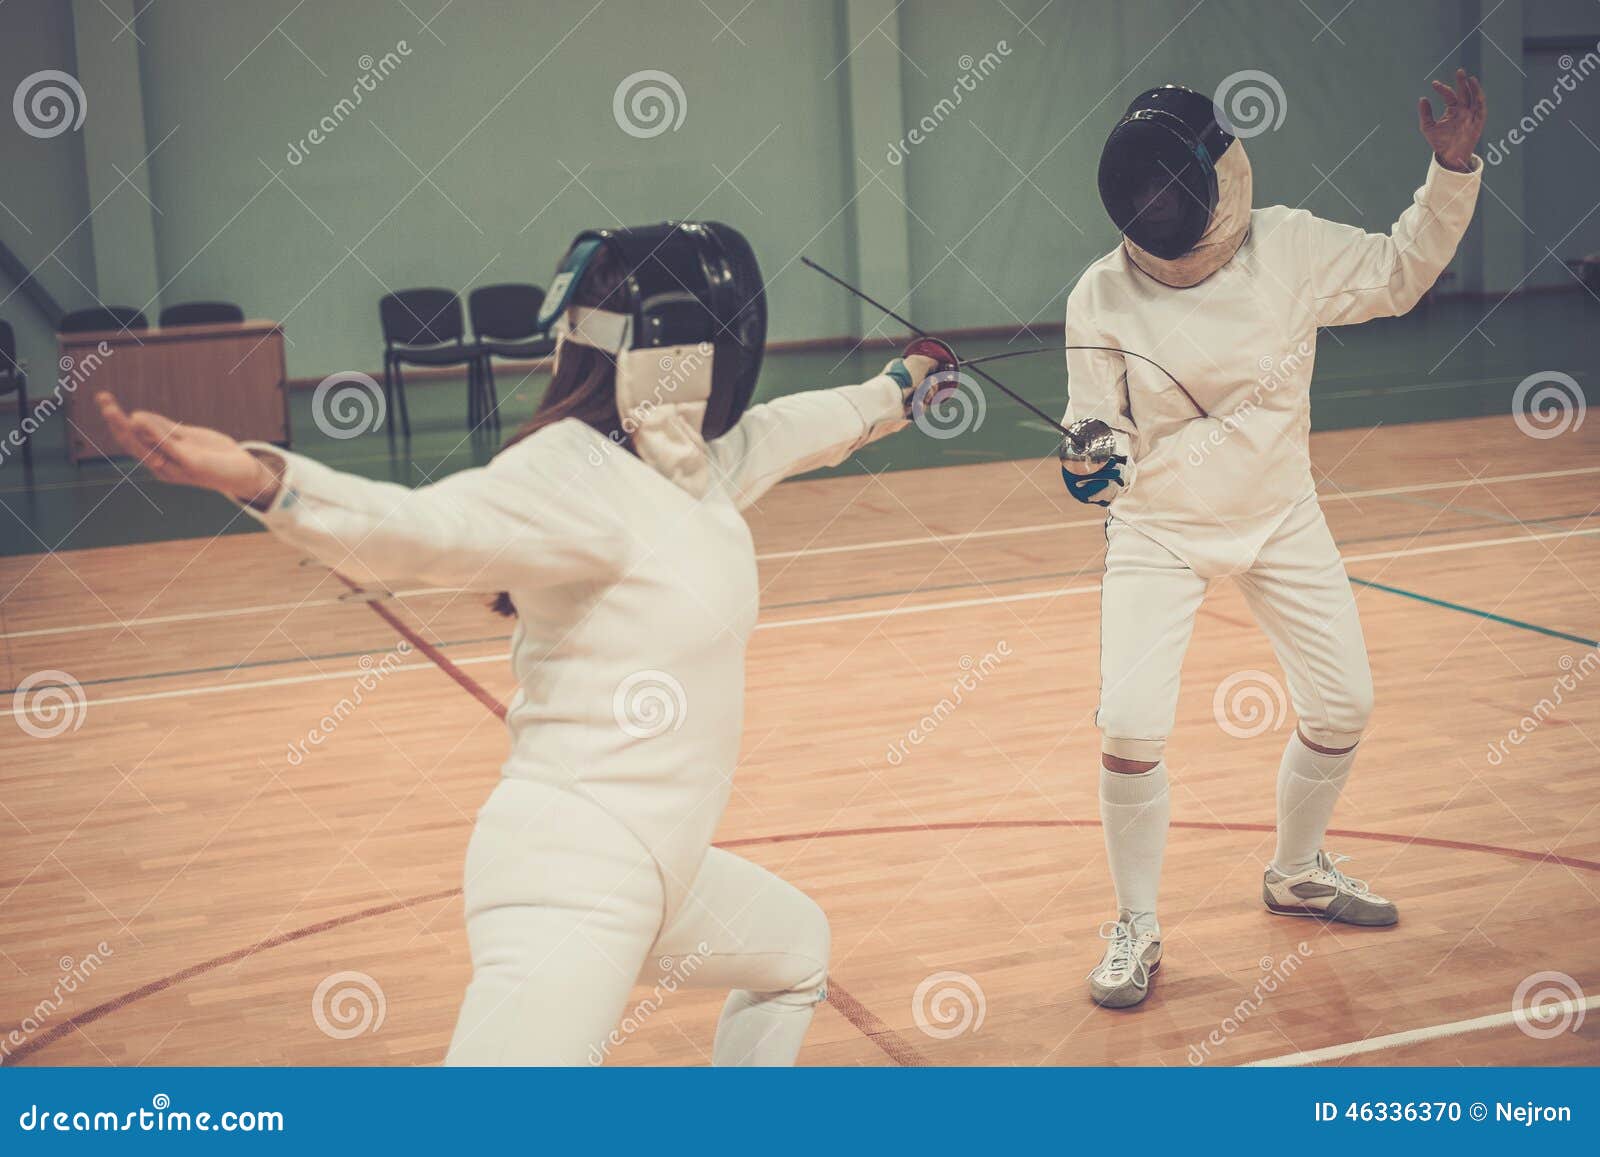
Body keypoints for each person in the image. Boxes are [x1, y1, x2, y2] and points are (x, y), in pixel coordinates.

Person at [96, 221, 951, 1063]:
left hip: (664, 870)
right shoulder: (574, 473)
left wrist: (903, 383)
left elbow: (799, 425)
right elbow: (424, 527)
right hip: (571, 879)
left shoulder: (691, 466)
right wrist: (266, 476)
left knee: (794, 951)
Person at [1059, 75, 1486, 1008]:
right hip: (1160, 530)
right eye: (1147, 196)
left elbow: (1400, 271)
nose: (1160, 207)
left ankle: (1297, 873)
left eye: (1175, 189)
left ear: (1216, 174)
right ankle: (1135, 922)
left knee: (1344, 704)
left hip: (1281, 513)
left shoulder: (1288, 245)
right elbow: (1096, 428)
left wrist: (1451, 168)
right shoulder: (1100, 294)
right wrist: (1094, 459)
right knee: (1130, 726)